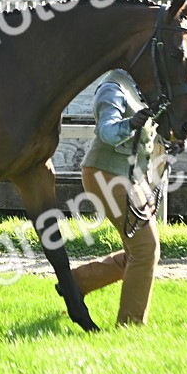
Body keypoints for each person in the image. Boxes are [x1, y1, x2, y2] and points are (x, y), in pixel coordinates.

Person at [69, 68, 168, 325]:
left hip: (130, 176)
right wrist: (132, 123)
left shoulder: (141, 89)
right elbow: (108, 132)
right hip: (106, 173)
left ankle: (76, 282)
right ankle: (130, 326)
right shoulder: (113, 87)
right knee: (145, 250)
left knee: (139, 251)